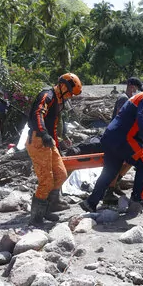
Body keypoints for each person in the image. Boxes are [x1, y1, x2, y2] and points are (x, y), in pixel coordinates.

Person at [80, 74, 143, 212]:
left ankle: (91, 202)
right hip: (123, 139)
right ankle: (138, 198)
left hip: (110, 137)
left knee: (110, 171)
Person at [27, 73, 83, 225]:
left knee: (61, 174)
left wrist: (62, 136)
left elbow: (57, 121)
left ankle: (47, 208)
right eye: (70, 92)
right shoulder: (47, 95)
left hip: (49, 142)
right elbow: (38, 113)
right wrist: (43, 133)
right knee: (46, 180)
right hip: (38, 140)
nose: (70, 96)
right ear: (64, 86)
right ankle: (36, 218)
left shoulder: (59, 100)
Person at [103, 77, 143, 204]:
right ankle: (109, 192)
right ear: (131, 86)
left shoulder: (128, 99)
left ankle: (116, 184)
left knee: (132, 159)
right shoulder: (124, 99)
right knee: (120, 162)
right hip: (118, 137)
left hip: (123, 136)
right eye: (136, 88)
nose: (136, 91)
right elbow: (121, 119)